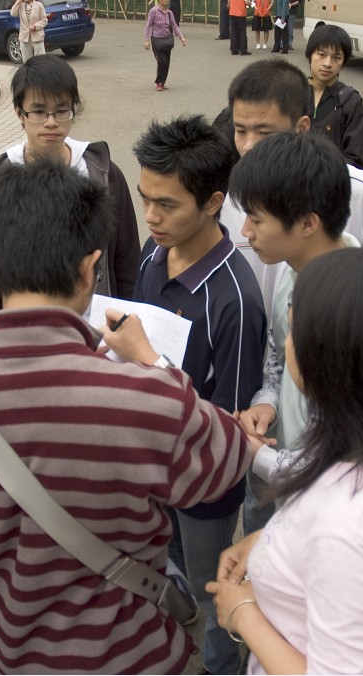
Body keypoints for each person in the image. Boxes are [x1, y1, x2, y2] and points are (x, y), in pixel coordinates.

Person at [0, 160, 251, 674]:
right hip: (131, 658)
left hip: (14, 659)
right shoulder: (143, 399)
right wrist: (154, 363)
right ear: (89, 266)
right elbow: (228, 459)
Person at [206, 247, 363, 674]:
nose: (286, 343)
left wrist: (242, 613)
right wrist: (269, 543)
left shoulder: (350, 534)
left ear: (331, 360)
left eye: (293, 331)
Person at [133, 115, 266, 676]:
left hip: (205, 483)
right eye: (145, 198)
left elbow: (228, 427)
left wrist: (147, 361)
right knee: (172, 556)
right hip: (154, 465)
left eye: (166, 204)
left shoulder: (235, 299)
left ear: (214, 203)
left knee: (216, 586)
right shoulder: (153, 253)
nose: (150, 216)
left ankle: (220, 663)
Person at [221, 59, 363, 317]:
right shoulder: (229, 198)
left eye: (265, 133)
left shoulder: (359, 192)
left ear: (302, 128)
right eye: (240, 131)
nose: (248, 146)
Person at [230, 131, 357, 533]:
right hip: (278, 475)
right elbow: (277, 354)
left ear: (307, 223)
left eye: (257, 219)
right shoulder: (292, 269)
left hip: (317, 512)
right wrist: (268, 403)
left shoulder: (355, 315)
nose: (246, 231)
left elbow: (341, 460)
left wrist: (256, 456)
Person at [0, 55, 140, 347]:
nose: (51, 122)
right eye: (38, 111)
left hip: (101, 339)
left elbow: (127, 262)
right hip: (28, 341)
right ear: (19, 113)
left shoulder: (103, 173)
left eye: (61, 111)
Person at [304, 24, 363, 168]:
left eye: (336, 57)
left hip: (332, 178)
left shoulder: (350, 101)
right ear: (310, 54)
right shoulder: (292, 93)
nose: (327, 63)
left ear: (343, 63)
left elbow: (355, 159)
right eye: (322, 55)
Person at [144, 0, 186, 92]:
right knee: (162, 61)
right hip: (156, 40)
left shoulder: (169, 13)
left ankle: (162, 82)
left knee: (166, 63)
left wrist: (181, 37)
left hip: (167, 40)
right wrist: (146, 40)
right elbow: (148, 25)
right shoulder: (154, 11)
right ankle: (158, 82)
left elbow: (174, 26)